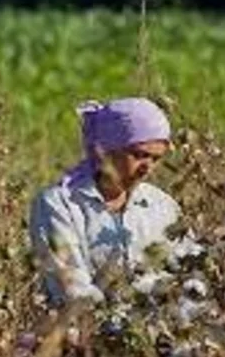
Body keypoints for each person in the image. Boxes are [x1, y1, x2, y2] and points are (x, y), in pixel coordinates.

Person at [28, 97, 181, 307]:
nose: (147, 168)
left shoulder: (161, 205)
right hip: (84, 332)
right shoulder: (60, 204)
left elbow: (185, 270)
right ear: (105, 150)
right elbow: (71, 286)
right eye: (139, 155)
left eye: (156, 159)